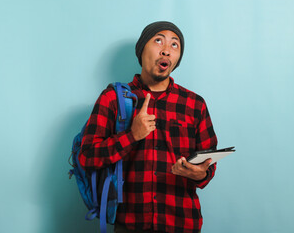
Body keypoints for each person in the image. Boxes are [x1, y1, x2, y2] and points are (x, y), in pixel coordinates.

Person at [79, 21, 218, 233]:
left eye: (175, 45)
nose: (166, 50)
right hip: (129, 224)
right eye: (158, 40)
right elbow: (87, 157)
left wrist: (201, 174)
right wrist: (131, 135)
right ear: (142, 49)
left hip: (181, 223)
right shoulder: (113, 98)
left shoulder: (194, 104)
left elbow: (208, 163)